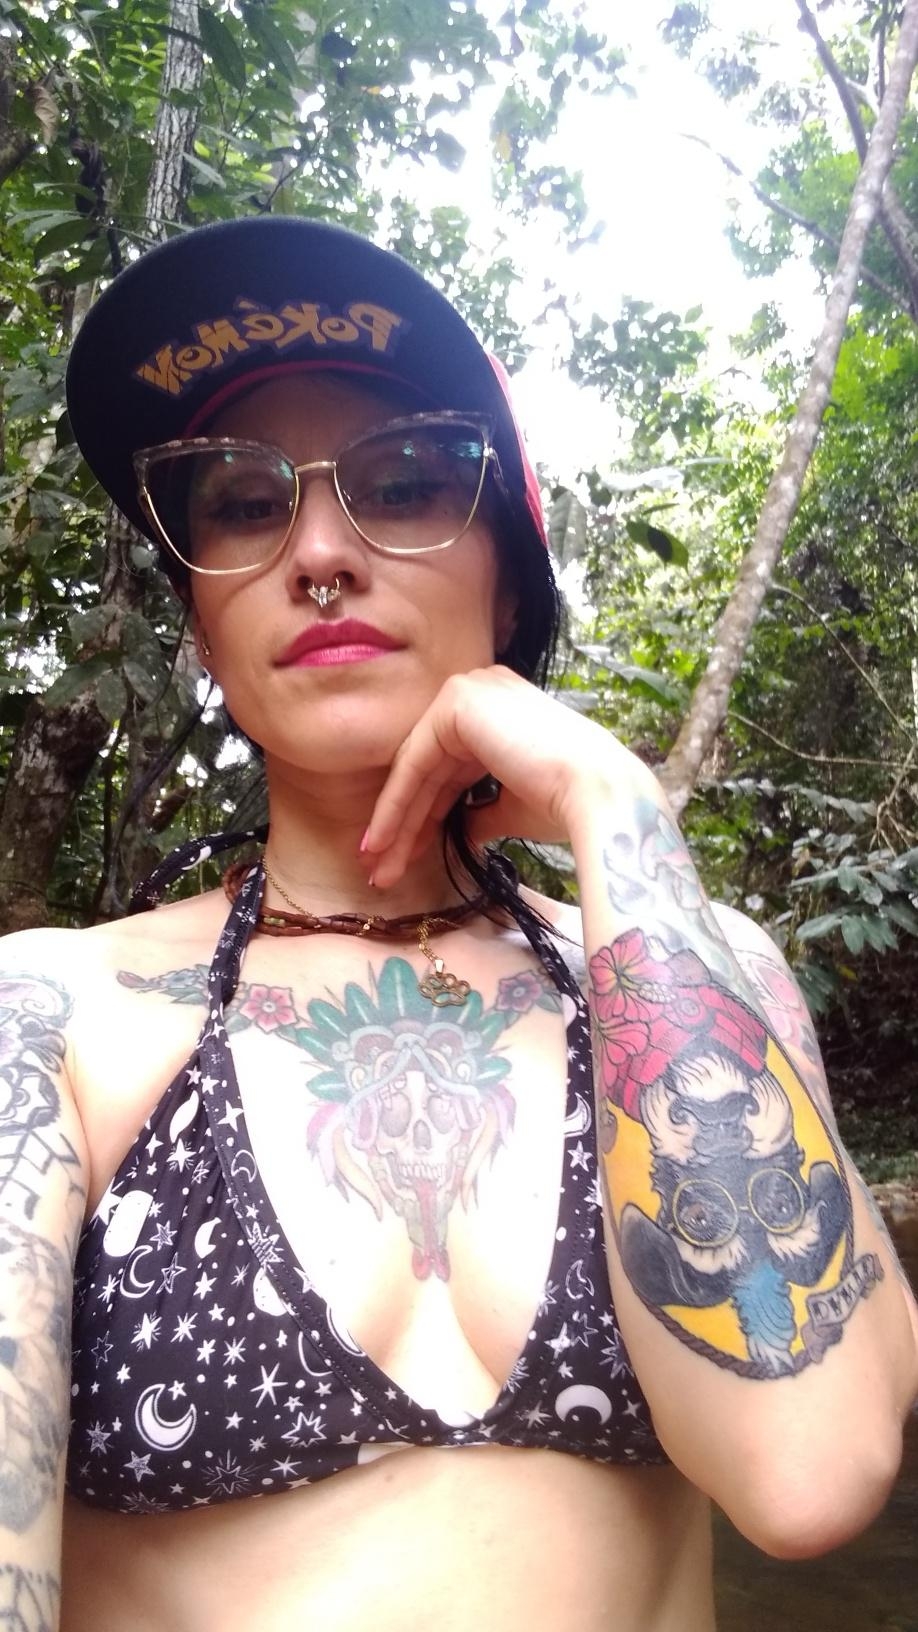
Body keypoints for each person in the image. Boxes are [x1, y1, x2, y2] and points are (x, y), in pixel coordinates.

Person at [0, 215, 914, 1632]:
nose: (318, 552)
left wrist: (613, 807)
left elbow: (810, 1476)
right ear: (200, 622)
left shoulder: (700, 973)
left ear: (509, 577)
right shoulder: (53, 1018)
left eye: (405, 483)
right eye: (242, 503)